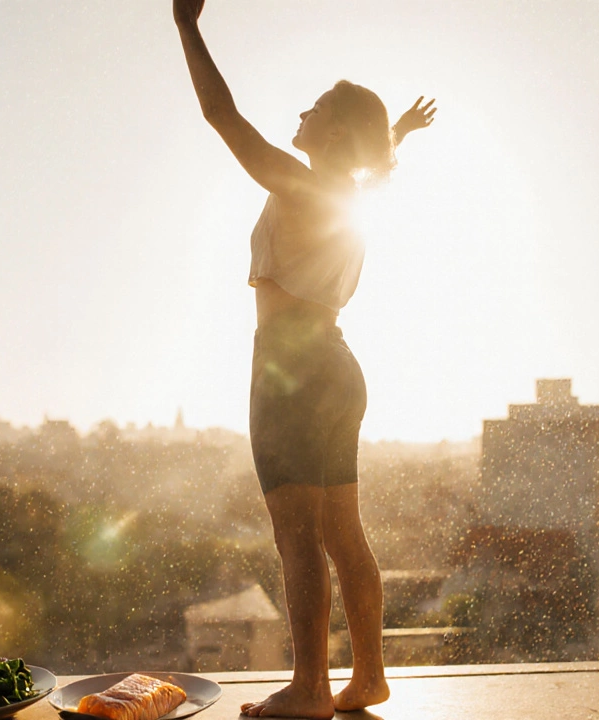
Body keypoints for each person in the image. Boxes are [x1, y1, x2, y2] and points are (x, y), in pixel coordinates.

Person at [173, 1, 435, 717]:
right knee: (341, 532)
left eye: (317, 106)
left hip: (289, 374)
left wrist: (187, 26)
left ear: (339, 132)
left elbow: (222, 118)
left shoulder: (306, 183)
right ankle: (368, 676)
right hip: (338, 367)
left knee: (298, 536)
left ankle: (312, 688)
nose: (304, 110)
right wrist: (395, 138)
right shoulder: (347, 194)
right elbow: (372, 171)